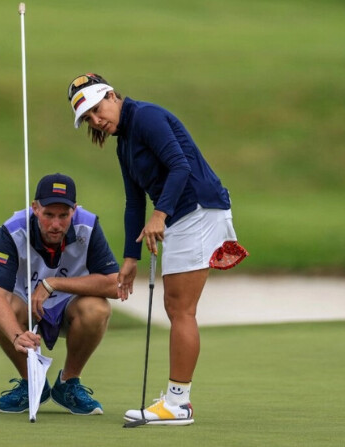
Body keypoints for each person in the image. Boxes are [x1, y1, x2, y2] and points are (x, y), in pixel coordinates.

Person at [67, 73, 248, 425]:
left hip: (196, 207)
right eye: (88, 118)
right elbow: (133, 202)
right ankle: (177, 399)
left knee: (181, 307)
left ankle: (178, 404)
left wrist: (160, 214)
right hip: (182, 214)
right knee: (176, 306)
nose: (96, 119)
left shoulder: (146, 117)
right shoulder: (124, 144)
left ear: (110, 94)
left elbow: (179, 165)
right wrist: (130, 258)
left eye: (96, 108)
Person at [0, 173, 121, 416]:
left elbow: (115, 285)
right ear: (35, 208)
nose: (56, 224)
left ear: (74, 210)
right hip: (25, 303)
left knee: (97, 309)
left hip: (69, 305)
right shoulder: (13, 230)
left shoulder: (88, 225)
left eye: (63, 216)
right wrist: (16, 337)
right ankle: (31, 384)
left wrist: (53, 284)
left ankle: (68, 384)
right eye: (48, 215)